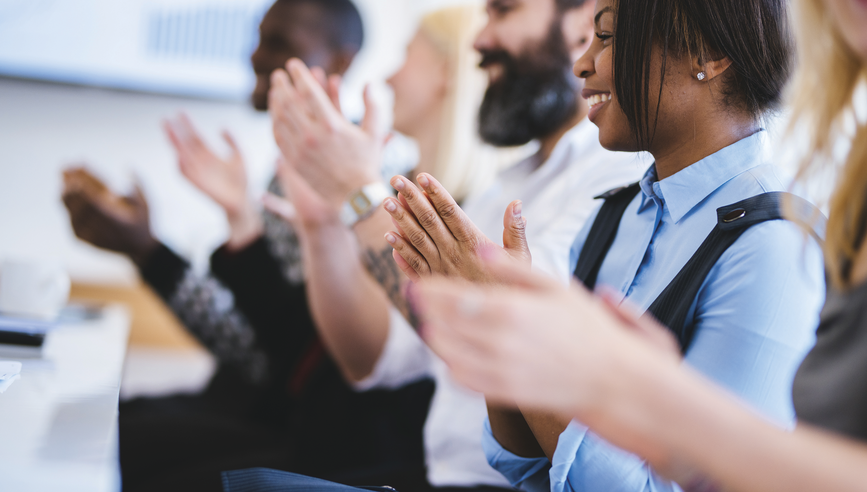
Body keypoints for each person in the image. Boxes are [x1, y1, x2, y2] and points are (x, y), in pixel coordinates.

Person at [412, 0, 867, 490]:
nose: (582, 63)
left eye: (605, 37)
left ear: (707, 55)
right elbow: (529, 467)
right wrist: (495, 325)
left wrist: (510, 316)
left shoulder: (771, 246)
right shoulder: (614, 216)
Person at [254, 0, 644, 491]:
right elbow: (369, 358)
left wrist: (357, 190)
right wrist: (322, 225)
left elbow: (486, 326)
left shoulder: (619, 175)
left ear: (581, 22)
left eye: (503, 11)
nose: (479, 40)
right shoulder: (505, 187)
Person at [62, 1, 435, 491]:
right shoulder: (296, 167)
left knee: (96, 444)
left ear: (340, 61)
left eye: (280, 43)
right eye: (259, 37)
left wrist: (157, 253)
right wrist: (166, 246)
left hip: (309, 435)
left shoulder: (368, 178)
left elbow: (273, 355)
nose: (257, 55)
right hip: (264, 410)